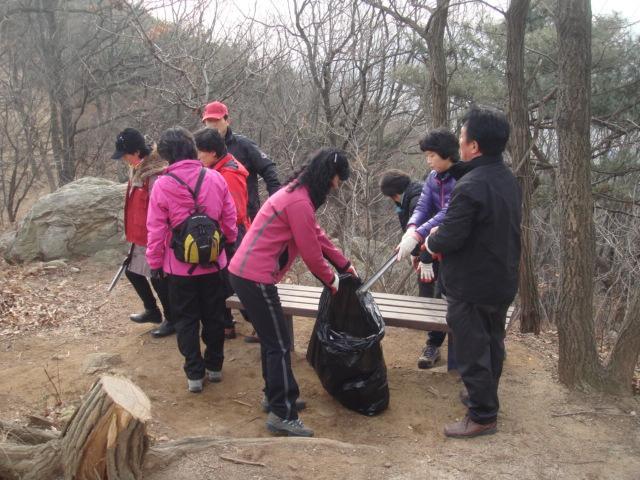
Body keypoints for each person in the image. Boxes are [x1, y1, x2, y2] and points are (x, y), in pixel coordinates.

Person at [229, 148, 357, 437]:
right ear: (328, 175)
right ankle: (282, 413)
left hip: (248, 273)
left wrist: (344, 264)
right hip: (254, 277)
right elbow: (312, 255)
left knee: (275, 341)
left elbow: (316, 234)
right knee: (279, 343)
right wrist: (332, 281)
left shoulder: (297, 194)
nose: (338, 185)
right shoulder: (298, 202)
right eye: (338, 179)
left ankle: (275, 394)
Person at [425, 107, 521, 438]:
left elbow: (448, 237)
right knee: (492, 343)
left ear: (474, 146)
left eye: (462, 137)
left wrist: (429, 241)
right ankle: (484, 398)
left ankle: (482, 416)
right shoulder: (506, 178)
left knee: (470, 349)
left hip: (472, 284)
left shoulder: (471, 187)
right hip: (501, 279)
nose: (460, 142)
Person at [146, 127, 238, 393]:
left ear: (167, 156)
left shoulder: (162, 185)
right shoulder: (214, 178)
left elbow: (156, 230)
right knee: (214, 315)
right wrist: (228, 245)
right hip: (213, 263)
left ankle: (194, 375)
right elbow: (229, 218)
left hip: (178, 268)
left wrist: (154, 263)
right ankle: (215, 367)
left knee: (186, 319)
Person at [202, 100, 281, 343]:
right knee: (216, 273)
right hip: (213, 221)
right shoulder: (202, 147)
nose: (213, 125)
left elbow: (269, 169)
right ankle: (227, 323)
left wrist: (275, 204)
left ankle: (257, 321)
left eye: (217, 120)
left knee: (242, 272)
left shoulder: (243, 145)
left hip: (246, 218)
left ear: (227, 119)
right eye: (208, 121)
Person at [382, 130, 459, 368]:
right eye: (426, 155)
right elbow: (424, 207)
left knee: (450, 300)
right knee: (437, 297)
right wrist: (411, 230)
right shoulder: (433, 178)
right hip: (435, 246)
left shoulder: (461, 178)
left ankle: (479, 348)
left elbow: (448, 213)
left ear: (447, 154)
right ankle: (434, 344)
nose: (428, 160)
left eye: (432, 155)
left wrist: (418, 239)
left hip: (455, 250)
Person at [111, 128, 175, 338]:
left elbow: (162, 209)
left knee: (157, 278)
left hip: (155, 235)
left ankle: (171, 318)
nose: (123, 160)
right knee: (132, 271)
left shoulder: (155, 175)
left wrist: (159, 238)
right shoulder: (139, 169)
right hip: (140, 235)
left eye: (125, 155)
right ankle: (153, 311)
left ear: (137, 152)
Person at [194, 127, 250, 340]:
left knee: (233, 283)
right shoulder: (219, 168)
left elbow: (235, 212)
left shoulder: (229, 174)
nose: (198, 157)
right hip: (222, 233)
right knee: (220, 283)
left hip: (231, 235)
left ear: (213, 153)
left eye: (200, 152)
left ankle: (258, 322)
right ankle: (227, 324)